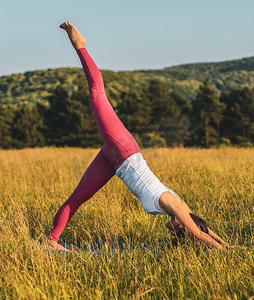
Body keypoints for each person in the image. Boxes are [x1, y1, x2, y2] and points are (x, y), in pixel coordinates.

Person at [46, 21, 231, 252]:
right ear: (183, 226)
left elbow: (204, 228)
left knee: (78, 197)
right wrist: (227, 250)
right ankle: (81, 47)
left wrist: (226, 242)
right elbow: (201, 234)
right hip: (123, 150)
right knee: (97, 95)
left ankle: (51, 241)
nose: (171, 230)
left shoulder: (179, 207)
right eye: (177, 231)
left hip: (114, 161)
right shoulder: (173, 204)